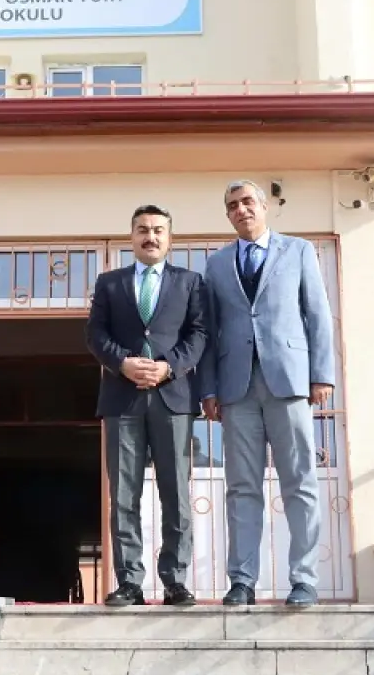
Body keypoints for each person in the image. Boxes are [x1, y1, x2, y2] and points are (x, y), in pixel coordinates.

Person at [198, 180, 335, 608]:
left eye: (248, 202)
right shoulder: (217, 264)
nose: (241, 210)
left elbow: (317, 313)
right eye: (233, 206)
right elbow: (209, 329)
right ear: (228, 215)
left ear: (264, 206)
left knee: (299, 481)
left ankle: (304, 580)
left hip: (289, 381)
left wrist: (321, 375)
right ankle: (242, 581)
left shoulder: (298, 251)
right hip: (236, 387)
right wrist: (208, 388)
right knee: (241, 486)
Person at [87, 204, 208, 607]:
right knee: (124, 494)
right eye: (142, 229)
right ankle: (129, 582)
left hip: (173, 399)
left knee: (176, 494)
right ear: (132, 237)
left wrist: (168, 367)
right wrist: (122, 362)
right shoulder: (110, 283)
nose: (150, 236)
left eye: (158, 230)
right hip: (121, 400)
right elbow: (95, 334)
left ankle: (175, 580)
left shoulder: (189, 282)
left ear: (169, 238)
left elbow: (199, 334)